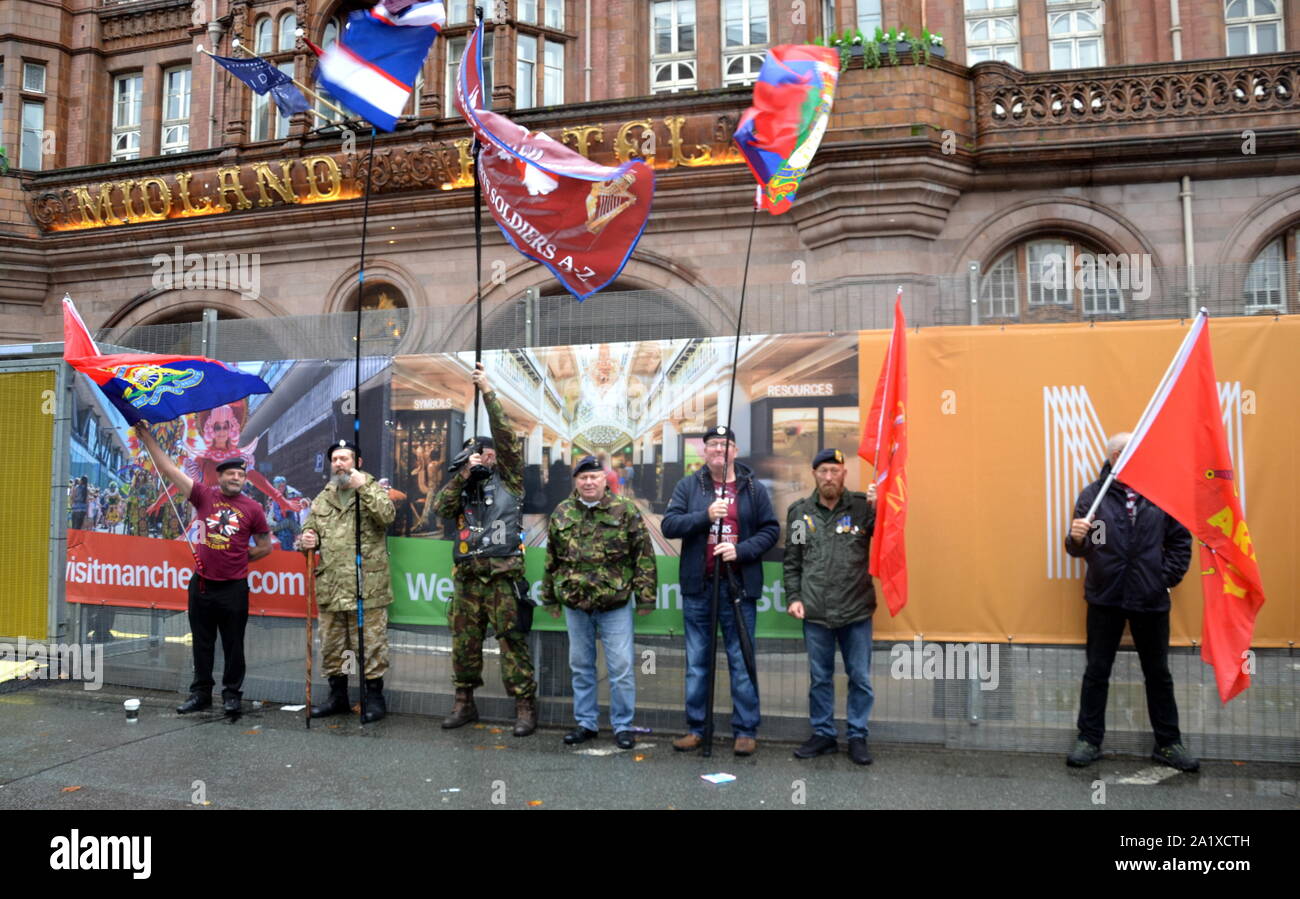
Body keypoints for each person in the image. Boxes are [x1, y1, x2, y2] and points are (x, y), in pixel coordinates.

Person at [1064, 432, 1198, 772]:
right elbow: (1088, 546)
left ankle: (1168, 744)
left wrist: (1161, 579)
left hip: (1150, 598)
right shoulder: (1094, 497)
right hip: (1105, 597)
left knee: (1158, 674)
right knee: (1097, 671)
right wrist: (1076, 539)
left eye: (1136, 453)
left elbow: (1180, 543)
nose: (1131, 459)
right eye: (1124, 454)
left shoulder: (1162, 495)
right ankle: (1089, 740)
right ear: (1111, 458)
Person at [133, 420, 273, 716]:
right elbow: (170, 470)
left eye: (240, 474)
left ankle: (232, 695)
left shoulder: (253, 509)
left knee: (234, 646)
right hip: (202, 585)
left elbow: (265, 546)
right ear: (220, 477)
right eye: (231, 473)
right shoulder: (203, 495)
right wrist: (147, 438)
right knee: (202, 643)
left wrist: (239, 557)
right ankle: (201, 694)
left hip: (234, 588)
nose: (236, 477)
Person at [429, 362, 538, 736]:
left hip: (504, 579)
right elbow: (441, 511)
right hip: (468, 581)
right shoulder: (462, 486)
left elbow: (506, 437)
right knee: (464, 645)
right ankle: (464, 703)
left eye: (486, 453)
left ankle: (524, 707)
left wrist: (488, 392)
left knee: (513, 645)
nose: (483, 458)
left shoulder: (510, 479)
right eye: (475, 454)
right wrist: (461, 477)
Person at [662, 424, 779, 757]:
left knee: (741, 661)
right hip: (699, 589)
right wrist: (704, 515)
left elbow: (771, 530)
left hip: (737, 589)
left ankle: (745, 730)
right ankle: (697, 729)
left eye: (725, 445)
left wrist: (740, 550)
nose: (718, 450)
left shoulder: (753, 489)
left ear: (735, 451)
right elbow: (670, 525)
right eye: (713, 445)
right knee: (697, 663)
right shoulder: (689, 486)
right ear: (704, 451)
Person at [543, 455, 657, 748]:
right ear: (576, 481)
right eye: (583, 477)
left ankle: (622, 726)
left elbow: (643, 554)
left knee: (620, 667)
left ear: (605, 479)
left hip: (614, 603)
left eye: (594, 476)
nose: (589, 482)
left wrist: (646, 595)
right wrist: (549, 599)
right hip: (575, 603)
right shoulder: (562, 512)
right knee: (581, 665)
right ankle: (586, 723)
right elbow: (552, 558)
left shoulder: (625, 510)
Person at [783, 448, 879, 765]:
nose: (828, 477)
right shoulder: (799, 513)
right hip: (815, 613)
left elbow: (886, 541)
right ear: (814, 474)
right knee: (820, 678)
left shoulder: (864, 509)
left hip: (855, 611)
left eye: (834, 471)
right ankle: (823, 734)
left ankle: (857, 736)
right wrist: (794, 598)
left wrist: (882, 509)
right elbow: (792, 562)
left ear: (844, 475)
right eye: (823, 471)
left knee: (860, 678)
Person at [299, 440, 396, 724]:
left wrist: (362, 486)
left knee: (370, 645)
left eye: (345, 458)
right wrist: (306, 540)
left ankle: (373, 699)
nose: (339, 463)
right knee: (333, 645)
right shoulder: (322, 498)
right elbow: (308, 532)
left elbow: (387, 516)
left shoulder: (372, 489)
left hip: (367, 587)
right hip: (331, 586)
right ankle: (338, 697)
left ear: (358, 463)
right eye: (335, 459)